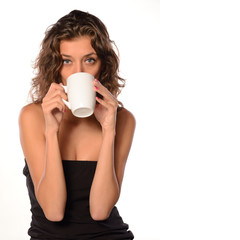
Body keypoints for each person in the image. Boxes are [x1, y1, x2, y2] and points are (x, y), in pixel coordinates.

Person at [19, 10, 135, 240]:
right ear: (55, 66)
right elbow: (53, 211)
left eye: (89, 60)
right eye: (66, 61)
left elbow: (101, 211)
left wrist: (109, 129)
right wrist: (51, 131)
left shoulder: (123, 120)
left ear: (103, 64)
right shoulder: (32, 116)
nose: (78, 72)